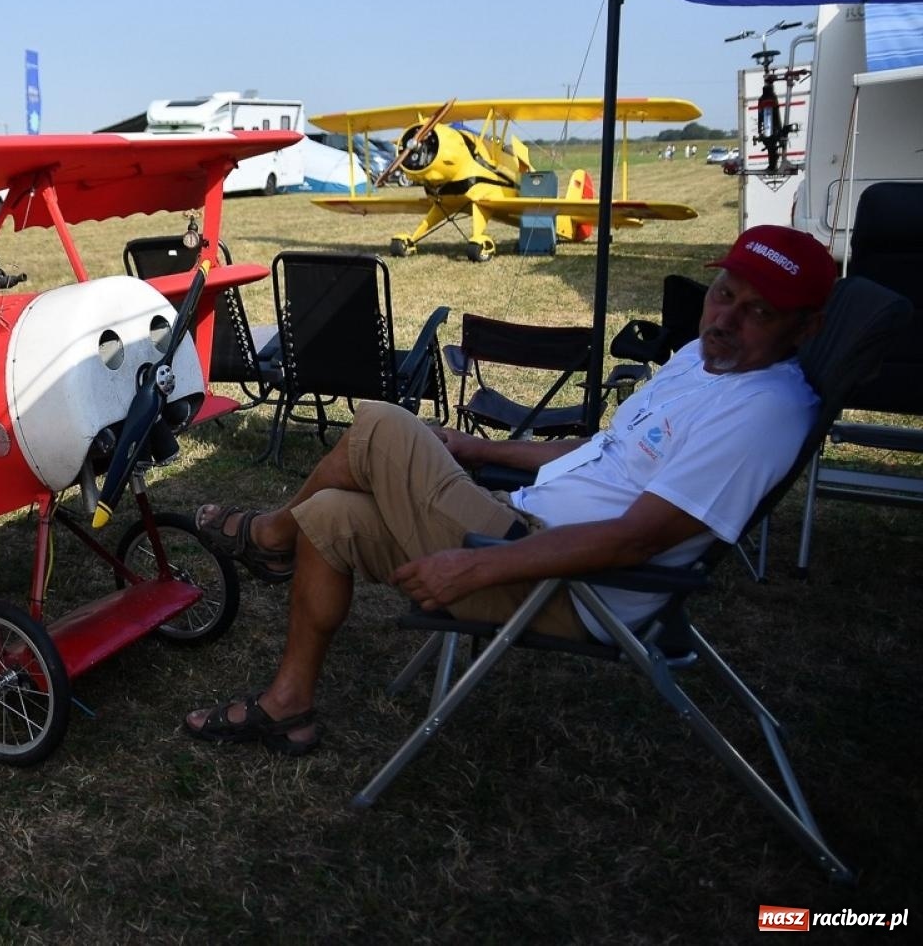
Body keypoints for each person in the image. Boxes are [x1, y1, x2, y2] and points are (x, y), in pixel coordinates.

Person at [184, 225, 837, 756]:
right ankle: (288, 706)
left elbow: (639, 537)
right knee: (330, 513)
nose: (726, 318)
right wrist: (479, 448)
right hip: (518, 526)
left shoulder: (765, 410)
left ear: (803, 330)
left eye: (759, 312)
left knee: (380, 425)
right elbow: (602, 449)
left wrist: (477, 564)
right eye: (724, 293)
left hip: (565, 587)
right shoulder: (703, 357)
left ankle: (269, 536)